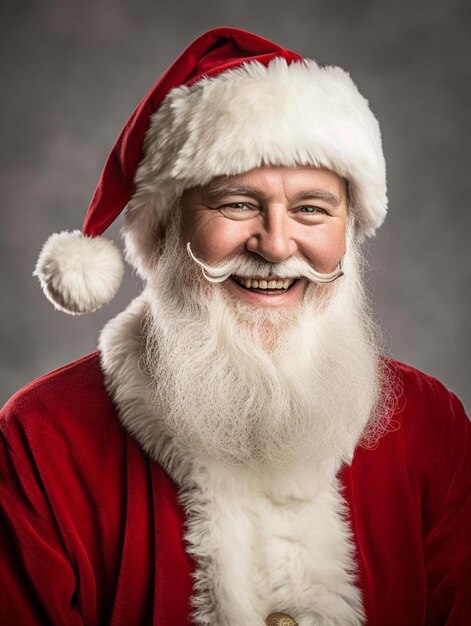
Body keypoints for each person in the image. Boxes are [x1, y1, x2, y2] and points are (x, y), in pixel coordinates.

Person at [0, 27, 469, 626]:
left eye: (311, 209)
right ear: (167, 229)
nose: (276, 246)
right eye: (237, 204)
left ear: (349, 232)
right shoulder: (40, 439)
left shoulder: (432, 425)